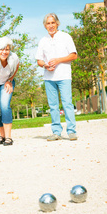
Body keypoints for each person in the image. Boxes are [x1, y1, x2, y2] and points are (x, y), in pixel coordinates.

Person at [35, 13, 78, 141]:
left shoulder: (66, 37)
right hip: (49, 78)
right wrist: (45, 65)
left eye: (53, 23)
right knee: (53, 106)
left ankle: (71, 131)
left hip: (64, 76)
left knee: (67, 104)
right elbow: (39, 60)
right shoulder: (43, 40)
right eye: (48, 23)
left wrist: (58, 60)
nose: (51, 25)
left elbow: (74, 55)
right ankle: (56, 132)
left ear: (57, 23)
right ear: (45, 25)